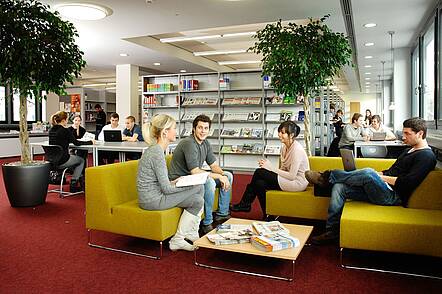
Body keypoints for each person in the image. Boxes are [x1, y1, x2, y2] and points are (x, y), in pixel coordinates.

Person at [305, 117, 436, 245]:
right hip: (382, 189)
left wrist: (377, 176)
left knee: (368, 172)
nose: (403, 137)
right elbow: (391, 171)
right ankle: (332, 231)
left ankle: (326, 177)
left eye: (407, 133)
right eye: (403, 133)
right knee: (340, 186)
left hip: (393, 197)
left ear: (420, 134)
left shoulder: (426, 156)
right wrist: (379, 174)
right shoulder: (408, 150)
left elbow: (406, 183)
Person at [137, 114, 204, 251]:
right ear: (165, 132)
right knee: (198, 186)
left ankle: (187, 233)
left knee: (197, 200)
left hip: (154, 196)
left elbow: (162, 183)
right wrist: (187, 185)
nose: (176, 131)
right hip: (152, 200)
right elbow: (166, 189)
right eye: (174, 128)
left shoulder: (155, 150)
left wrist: (176, 182)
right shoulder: (157, 152)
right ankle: (178, 239)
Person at [168, 114, 233, 234]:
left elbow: (213, 165)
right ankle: (207, 222)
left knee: (229, 175)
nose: (203, 131)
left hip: (193, 177)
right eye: (200, 128)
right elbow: (195, 171)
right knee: (209, 182)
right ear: (194, 129)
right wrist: (219, 176)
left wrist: (223, 174)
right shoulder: (189, 143)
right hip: (179, 180)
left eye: (206, 128)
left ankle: (222, 214)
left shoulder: (205, 143)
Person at [230, 121, 309, 219]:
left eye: (283, 132)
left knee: (259, 172)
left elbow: (292, 176)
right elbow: (283, 168)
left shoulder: (297, 150)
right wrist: (271, 171)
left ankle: (245, 204)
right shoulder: (284, 148)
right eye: (279, 131)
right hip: (288, 179)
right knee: (259, 184)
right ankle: (268, 214)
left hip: (297, 182)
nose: (279, 134)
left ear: (291, 135)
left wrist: (270, 168)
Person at [48, 111, 94, 192]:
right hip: (63, 160)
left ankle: (79, 178)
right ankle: (73, 184)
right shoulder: (65, 131)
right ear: (63, 120)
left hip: (51, 161)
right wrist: (90, 142)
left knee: (74, 160)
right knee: (81, 160)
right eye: (67, 120)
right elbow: (77, 143)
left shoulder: (51, 130)